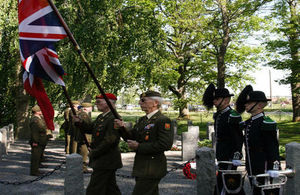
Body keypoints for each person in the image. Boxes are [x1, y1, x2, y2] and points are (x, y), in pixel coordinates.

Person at [114, 90, 173, 195]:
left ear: (155, 103)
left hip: (152, 167)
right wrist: (122, 128)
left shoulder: (162, 120)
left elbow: (165, 144)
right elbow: (131, 137)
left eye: (143, 100)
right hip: (142, 166)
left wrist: (139, 146)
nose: (140, 103)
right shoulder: (143, 120)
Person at [236, 85, 281, 195]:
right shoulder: (248, 123)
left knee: (267, 191)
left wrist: (274, 166)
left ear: (260, 105)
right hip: (252, 165)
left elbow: (272, 147)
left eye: (249, 102)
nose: (245, 104)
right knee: (255, 191)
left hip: (264, 166)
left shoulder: (266, 123)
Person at [75, 93, 122, 195]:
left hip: (107, 159)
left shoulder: (114, 118)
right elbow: (91, 129)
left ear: (109, 103)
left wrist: (94, 152)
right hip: (102, 159)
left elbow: (110, 140)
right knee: (110, 187)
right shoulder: (102, 117)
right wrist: (80, 123)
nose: (96, 104)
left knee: (94, 189)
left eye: (99, 102)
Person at [202, 83, 244, 195]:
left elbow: (238, 137)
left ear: (226, 100)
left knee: (228, 183)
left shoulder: (232, 115)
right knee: (226, 182)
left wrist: (236, 154)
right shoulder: (220, 114)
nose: (214, 101)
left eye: (217, 99)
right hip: (221, 152)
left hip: (230, 154)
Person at [29, 105, 48, 176]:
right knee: (35, 157)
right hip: (37, 140)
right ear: (37, 112)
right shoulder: (35, 120)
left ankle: (37, 169)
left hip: (41, 140)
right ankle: (34, 171)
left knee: (38, 156)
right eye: (41, 110)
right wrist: (35, 141)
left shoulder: (38, 118)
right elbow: (34, 132)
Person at [75, 102, 93, 173]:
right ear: (86, 108)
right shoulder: (83, 115)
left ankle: (81, 167)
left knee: (82, 153)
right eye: (90, 107)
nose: (91, 108)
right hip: (84, 137)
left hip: (82, 136)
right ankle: (83, 168)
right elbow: (85, 126)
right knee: (83, 153)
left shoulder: (81, 114)